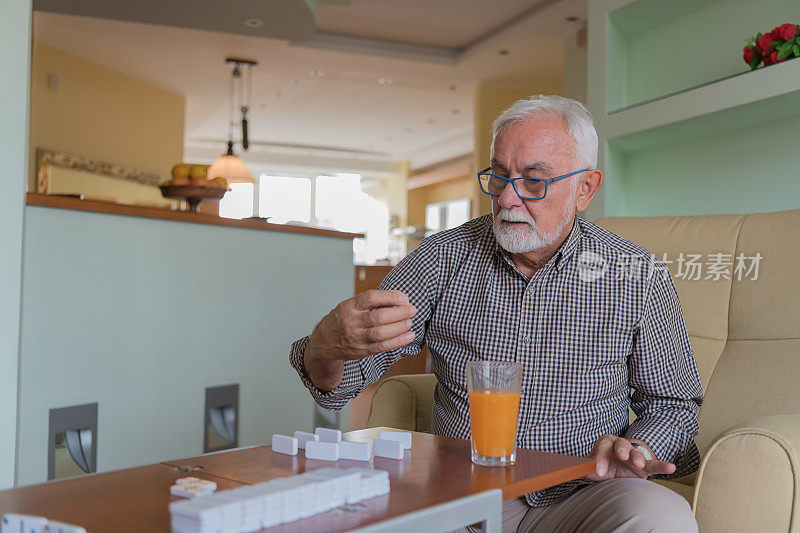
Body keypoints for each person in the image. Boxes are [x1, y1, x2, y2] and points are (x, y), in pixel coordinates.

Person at [289, 95, 703, 532]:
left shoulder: (636, 274)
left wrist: (636, 448)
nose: (507, 197)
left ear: (585, 189)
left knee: (662, 517)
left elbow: (673, 403)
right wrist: (324, 347)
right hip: (463, 491)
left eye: (533, 181)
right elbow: (340, 385)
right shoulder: (441, 259)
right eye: (499, 175)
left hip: (585, 489)